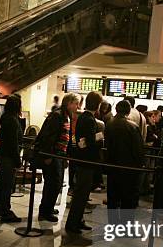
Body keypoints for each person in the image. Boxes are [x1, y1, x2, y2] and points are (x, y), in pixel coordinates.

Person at [34, 93, 79, 222]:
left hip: (60, 154)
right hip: (53, 154)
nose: (77, 106)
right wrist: (48, 155)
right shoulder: (57, 116)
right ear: (69, 103)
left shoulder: (66, 116)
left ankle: (48, 207)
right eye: (76, 103)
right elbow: (48, 137)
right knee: (53, 183)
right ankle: (45, 211)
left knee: (55, 183)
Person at [66, 91, 102, 235]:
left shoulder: (82, 117)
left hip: (81, 160)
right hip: (86, 161)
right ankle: (73, 223)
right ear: (98, 104)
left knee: (81, 193)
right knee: (81, 194)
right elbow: (90, 142)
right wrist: (100, 137)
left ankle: (78, 220)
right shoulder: (89, 119)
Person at [104, 100, 145, 216]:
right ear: (128, 111)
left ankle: (112, 225)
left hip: (112, 166)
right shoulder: (133, 126)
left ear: (116, 109)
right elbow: (138, 150)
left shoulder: (109, 124)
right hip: (129, 168)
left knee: (112, 199)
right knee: (128, 200)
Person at [0, 95, 23, 222]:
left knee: (1, 183)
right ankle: (5, 211)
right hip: (8, 157)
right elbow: (13, 143)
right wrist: (17, 160)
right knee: (6, 185)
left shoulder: (6, 118)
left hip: (3, 154)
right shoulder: (12, 120)